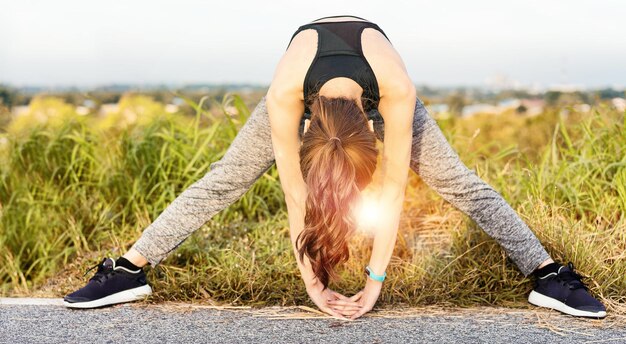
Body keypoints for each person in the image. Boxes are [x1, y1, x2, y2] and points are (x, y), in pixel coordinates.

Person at [64, 15, 606, 319]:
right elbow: (296, 196)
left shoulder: (394, 93)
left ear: (372, 130)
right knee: (225, 178)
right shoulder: (284, 98)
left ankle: (548, 275)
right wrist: (312, 281)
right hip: (307, 94)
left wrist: (374, 282)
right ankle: (127, 270)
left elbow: (391, 192)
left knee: (459, 182)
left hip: (375, 87)